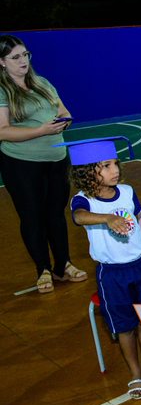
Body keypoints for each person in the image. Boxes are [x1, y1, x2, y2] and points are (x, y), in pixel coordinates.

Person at [64, 137, 141, 399]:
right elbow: (79, 217)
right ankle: (135, 374)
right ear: (87, 172)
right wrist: (107, 218)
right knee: (124, 326)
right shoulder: (83, 200)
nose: (115, 170)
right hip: (112, 273)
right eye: (106, 166)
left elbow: (135, 217)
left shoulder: (127, 191)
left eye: (115, 163)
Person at [0, 34, 86, 293]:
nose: (23, 60)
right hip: (22, 164)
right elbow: (3, 131)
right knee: (32, 217)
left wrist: (64, 121)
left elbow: (63, 111)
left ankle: (63, 266)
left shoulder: (43, 83)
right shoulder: (3, 90)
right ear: (2, 62)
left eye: (25, 54)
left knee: (56, 215)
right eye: (15, 57)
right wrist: (41, 130)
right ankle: (43, 270)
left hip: (57, 159)